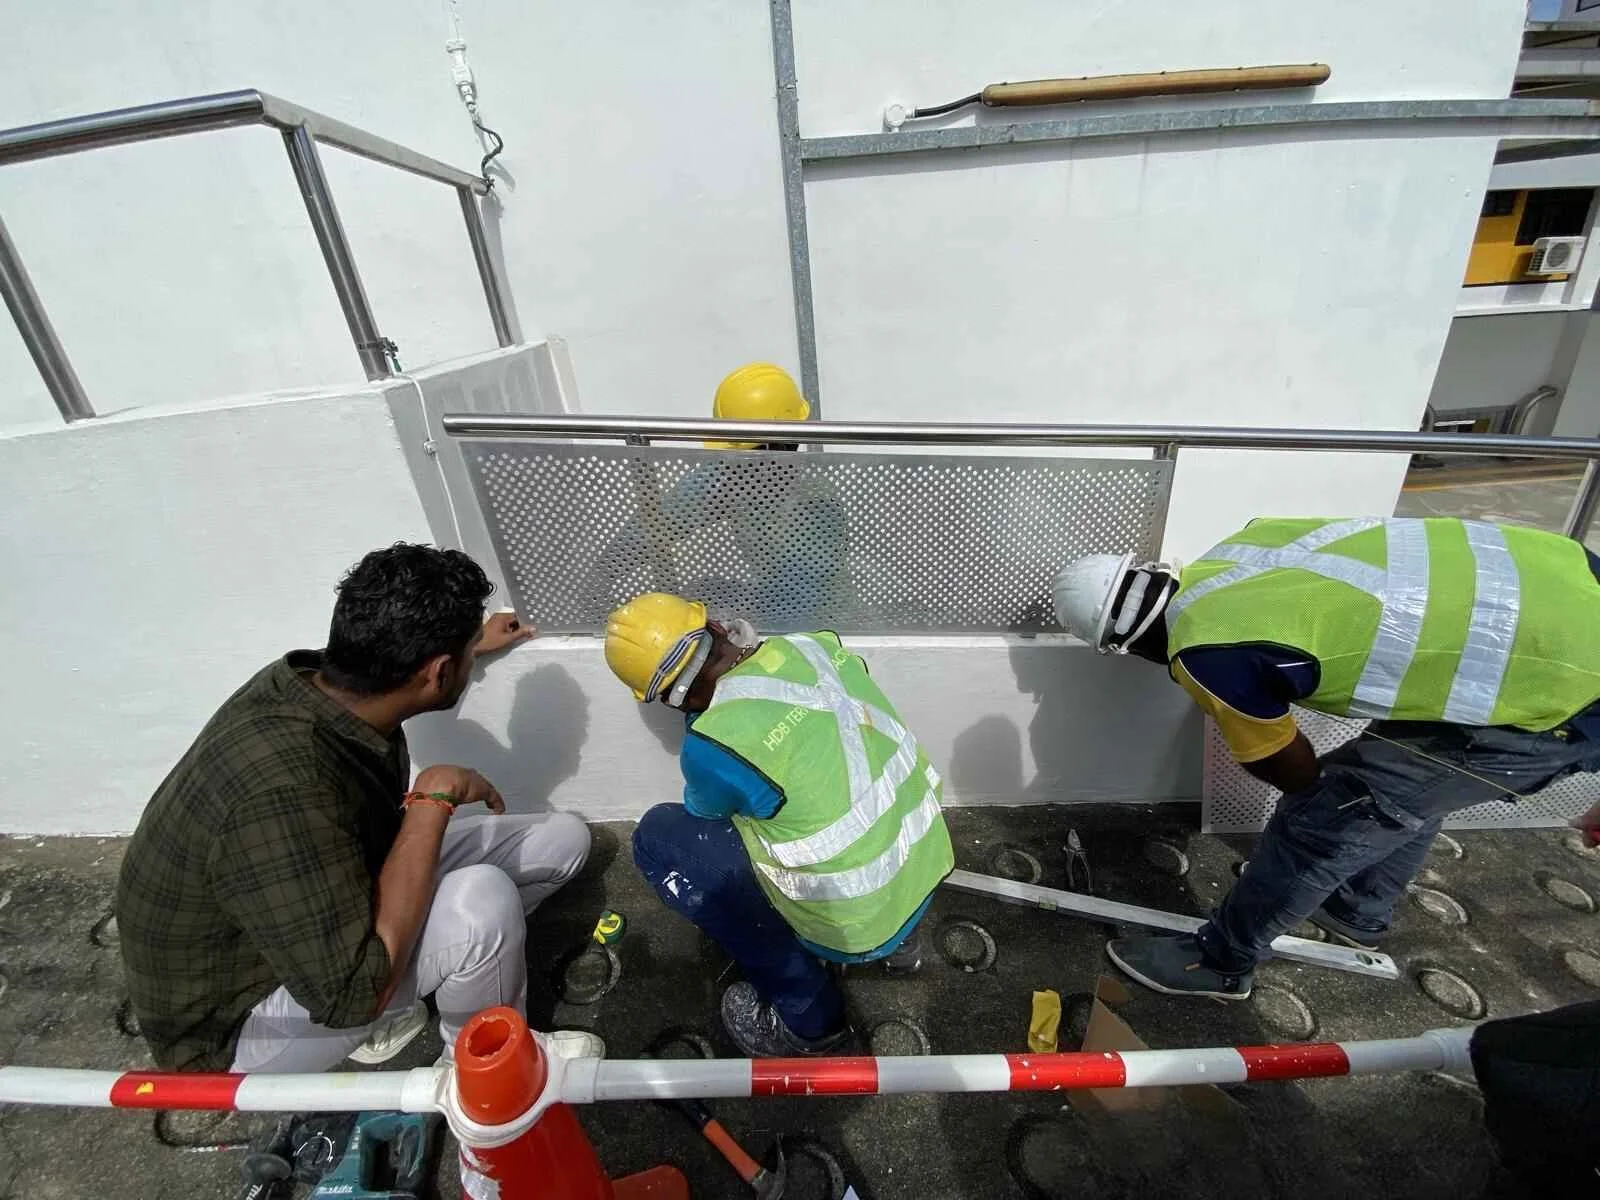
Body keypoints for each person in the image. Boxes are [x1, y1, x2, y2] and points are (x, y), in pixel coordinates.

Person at [1051, 516, 1600, 1000]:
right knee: (1404, 786)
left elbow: (1284, 763)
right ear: (1152, 574)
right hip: (1564, 591)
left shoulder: (1203, 651)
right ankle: (1356, 908)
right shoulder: (1246, 545)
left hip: (1564, 688)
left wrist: (1326, 806)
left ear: (1126, 648)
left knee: (1327, 818)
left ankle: (1219, 964)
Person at [117, 544, 592, 1072]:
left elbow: (412, 670)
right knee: (482, 903)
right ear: (435, 673)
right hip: (239, 1026)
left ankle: (443, 978)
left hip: (328, 905)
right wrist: (430, 801)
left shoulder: (304, 682)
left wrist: (468, 646)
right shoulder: (282, 790)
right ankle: (478, 1065)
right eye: (461, 652)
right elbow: (349, 995)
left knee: (563, 842)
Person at [603, 592, 953, 1055]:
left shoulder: (712, 747)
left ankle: (808, 1023)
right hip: (923, 863)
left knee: (659, 837)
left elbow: (708, 811)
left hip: (852, 918)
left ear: (668, 698)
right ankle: (902, 947)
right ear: (714, 627)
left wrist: (702, 718)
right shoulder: (813, 645)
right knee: (852, 805)